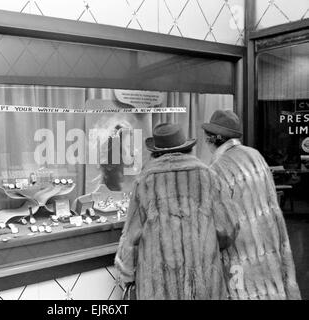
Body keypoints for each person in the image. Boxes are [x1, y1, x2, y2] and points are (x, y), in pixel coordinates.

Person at [115, 123, 238, 300]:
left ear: (155, 152)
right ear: (186, 148)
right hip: (204, 282)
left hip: (158, 287)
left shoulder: (145, 181)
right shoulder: (208, 176)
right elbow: (228, 227)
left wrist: (127, 274)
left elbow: (131, 238)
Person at [202, 110, 301, 300]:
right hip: (269, 248)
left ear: (213, 139)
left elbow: (223, 227)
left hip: (238, 258)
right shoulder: (256, 156)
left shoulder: (217, 168)